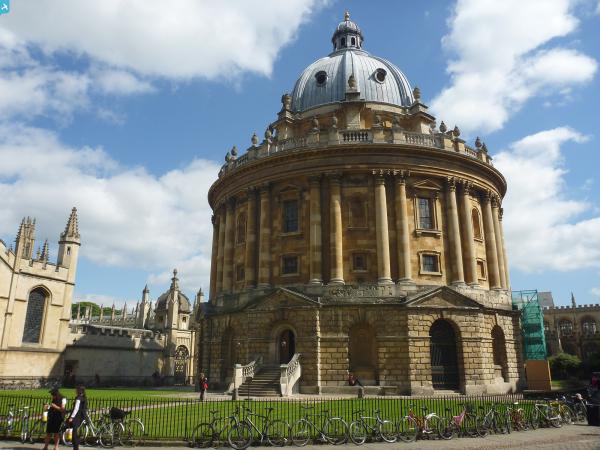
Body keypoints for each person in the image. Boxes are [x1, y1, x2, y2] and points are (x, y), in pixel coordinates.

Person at [68, 386, 87, 450]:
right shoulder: (84, 397)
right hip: (81, 417)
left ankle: (75, 448)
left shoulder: (79, 398)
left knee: (74, 434)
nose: (75, 391)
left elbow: (76, 408)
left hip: (76, 417)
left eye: (76, 390)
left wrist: (71, 417)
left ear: (79, 391)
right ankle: (76, 446)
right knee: (75, 433)